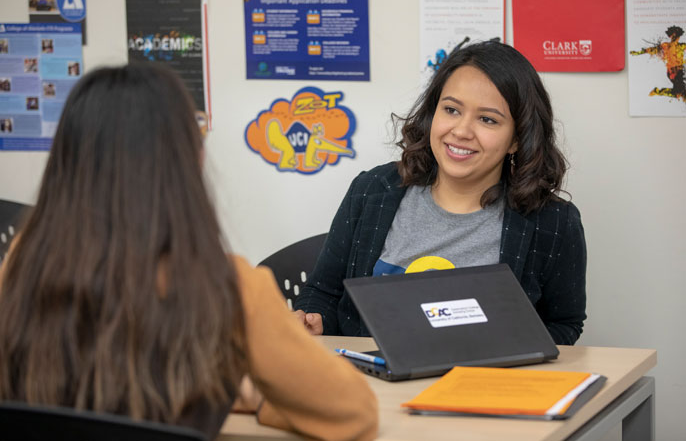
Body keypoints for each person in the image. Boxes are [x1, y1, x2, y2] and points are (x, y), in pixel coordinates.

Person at [0, 63, 377, 440]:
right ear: (188, 160)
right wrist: (260, 399)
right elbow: (354, 412)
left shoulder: (23, 261)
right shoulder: (229, 285)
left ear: (66, 162)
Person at [294, 41, 587, 346]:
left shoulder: (553, 222)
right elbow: (323, 292)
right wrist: (314, 319)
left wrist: (504, 353)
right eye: (451, 110)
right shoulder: (372, 190)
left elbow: (564, 324)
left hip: (478, 387)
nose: (461, 131)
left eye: (487, 119)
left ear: (517, 138)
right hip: (374, 384)